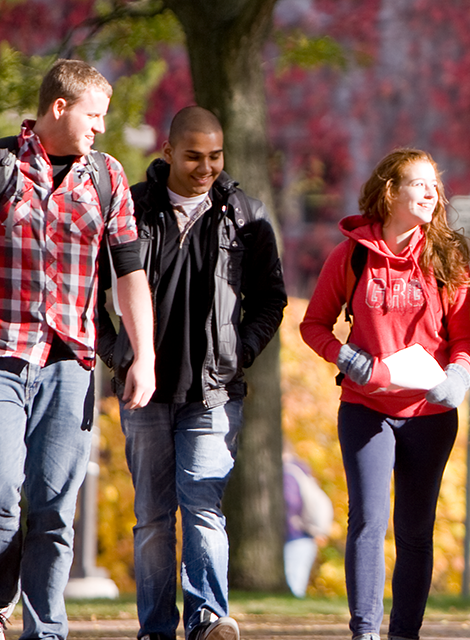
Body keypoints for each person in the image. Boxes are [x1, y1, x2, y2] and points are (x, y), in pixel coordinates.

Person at [0, 59, 156, 640]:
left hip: (70, 362)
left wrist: (143, 352)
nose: (100, 128)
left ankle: (45, 628)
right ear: (60, 108)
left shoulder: (108, 177)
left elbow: (129, 274)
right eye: (94, 116)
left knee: (54, 504)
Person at [94, 105, 286, 640]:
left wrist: (238, 353)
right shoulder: (129, 208)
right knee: (154, 517)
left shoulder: (245, 214)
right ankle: (156, 629)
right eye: (195, 156)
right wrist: (119, 355)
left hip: (214, 393)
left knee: (203, 504)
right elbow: (86, 298)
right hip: (144, 394)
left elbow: (271, 300)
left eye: (216, 157)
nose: (207, 168)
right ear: (169, 152)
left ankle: (207, 621)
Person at [299, 148, 470, 640]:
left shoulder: (446, 256)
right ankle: (365, 633)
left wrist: (459, 376)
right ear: (390, 190)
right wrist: (351, 360)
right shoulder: (353, 254)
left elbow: (465, 337)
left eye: (434, 186)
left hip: (429, 413)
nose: (431, 193)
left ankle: (405, 633)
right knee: (368, 523)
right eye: (419, 184)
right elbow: (313, 326)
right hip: (366, 409)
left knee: (416, 530)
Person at [283, 450, 334, 598]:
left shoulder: (288, 473)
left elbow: (290, 501)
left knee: (293, 582)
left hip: (294, 534)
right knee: (297, 581)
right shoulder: (301, 470)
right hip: (306, 534)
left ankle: (290, 618)